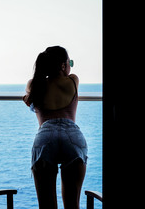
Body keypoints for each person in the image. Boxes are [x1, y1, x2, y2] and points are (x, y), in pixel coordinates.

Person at [23, 46, 88, 209]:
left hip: (45, 136)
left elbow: (30, 99)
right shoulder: (73, 80)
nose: (71, 66)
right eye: (69, 62)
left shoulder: (34, 84)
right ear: (62, 65)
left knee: (47, 206)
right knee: (73, 205)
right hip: (72, 136)